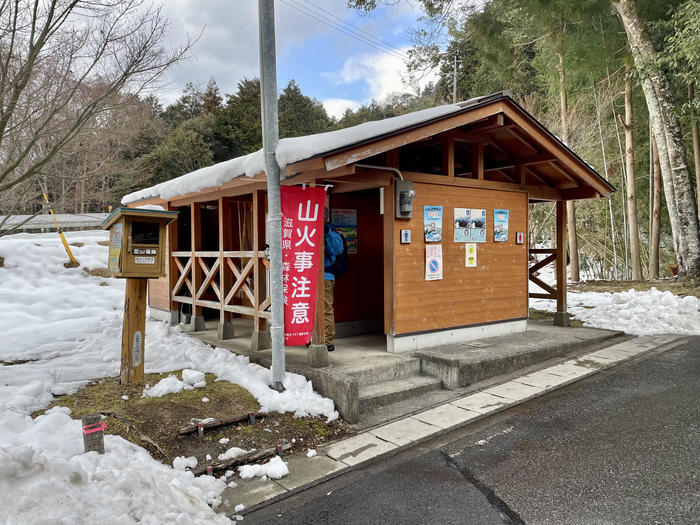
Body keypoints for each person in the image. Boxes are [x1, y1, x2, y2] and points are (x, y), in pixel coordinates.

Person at [323, 210, 344, 352]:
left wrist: (328, 234)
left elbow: (338, 250)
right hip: (309, 276)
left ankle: (327, 340)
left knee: (325, 309)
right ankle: (315, 337)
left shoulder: (332, 233)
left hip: (325, 276)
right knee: (313, 309)